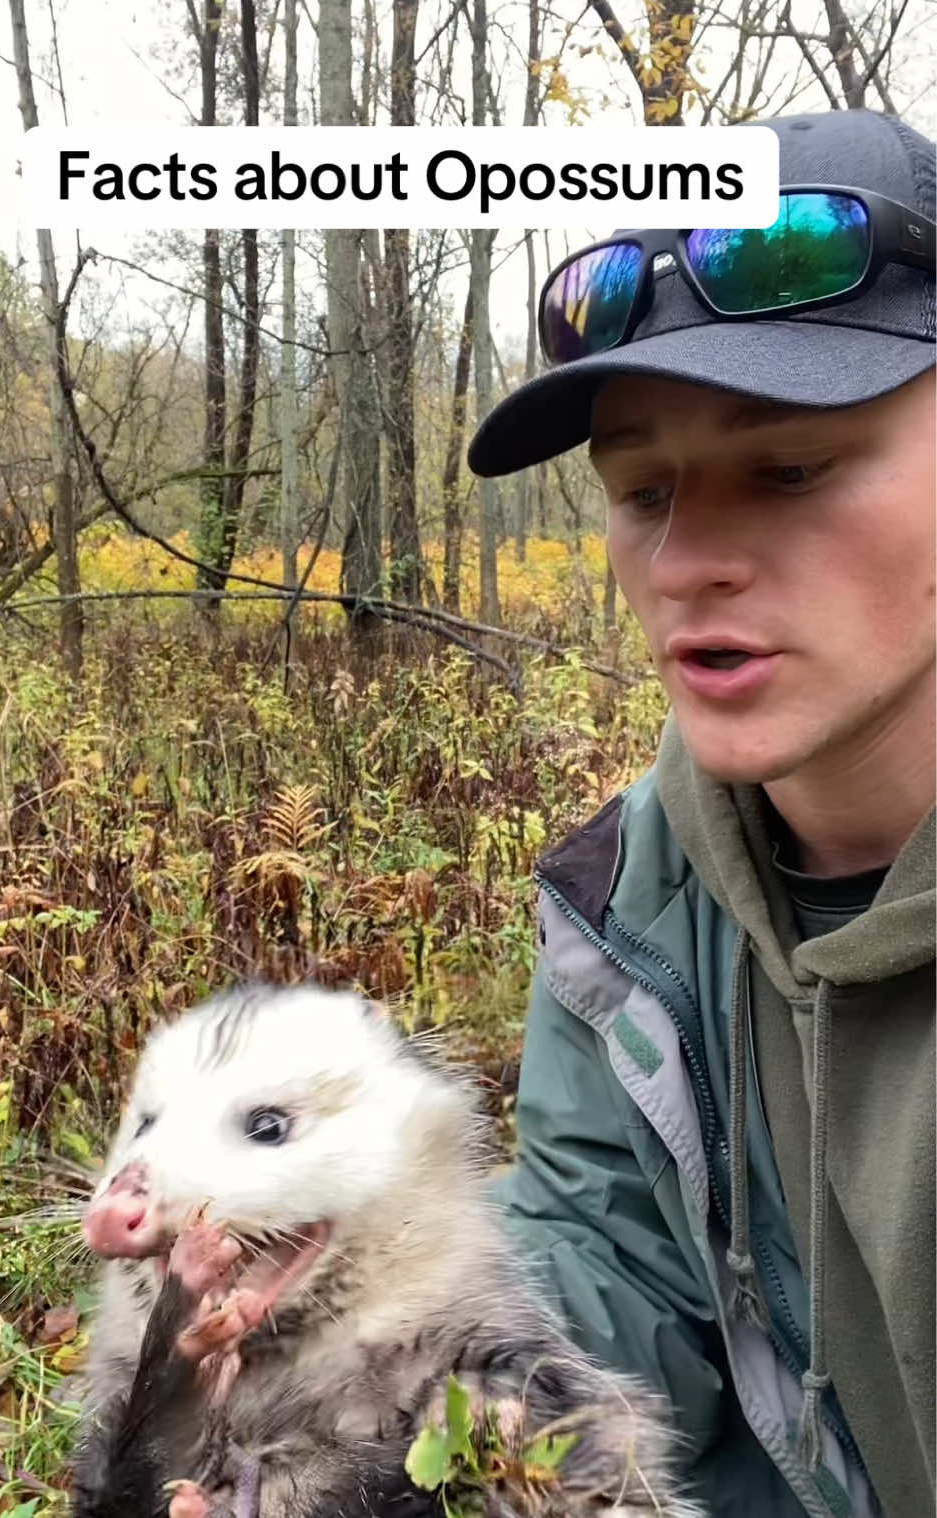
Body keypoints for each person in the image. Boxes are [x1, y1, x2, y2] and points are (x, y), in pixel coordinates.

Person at [467, 109, 935, 1518]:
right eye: (641, 489)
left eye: (788, 468)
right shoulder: (629, 903)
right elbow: (608, 1272)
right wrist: (383, 1390)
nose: (686, 562)